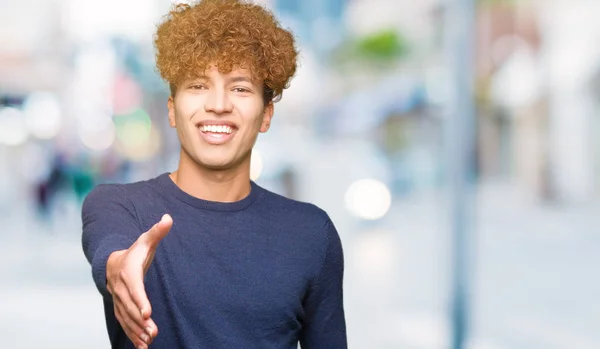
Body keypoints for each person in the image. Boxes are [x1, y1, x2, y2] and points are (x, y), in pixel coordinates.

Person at [81, 0, 347, 348]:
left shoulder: (312, 234)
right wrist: (119, 270)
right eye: (198, 85)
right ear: (173, 110)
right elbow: (112, 257)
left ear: (266, 114)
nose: (218, 104)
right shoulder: (120, 207)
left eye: (240, 88)